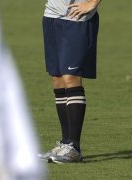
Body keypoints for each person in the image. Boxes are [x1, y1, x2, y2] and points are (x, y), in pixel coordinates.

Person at [39, 0, 102, 163]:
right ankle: (65, 144)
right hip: (51, 15)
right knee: (58, 78)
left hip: (77, 18)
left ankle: (74, 148)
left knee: (70, 77)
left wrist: (93, 2)